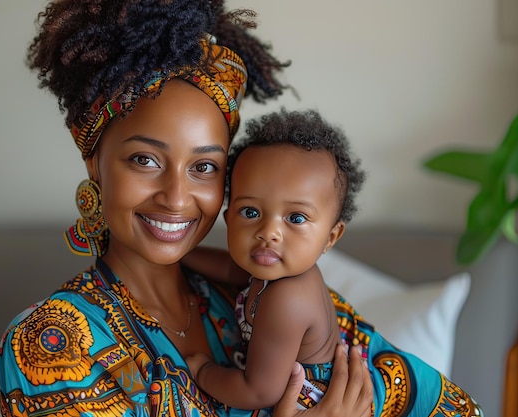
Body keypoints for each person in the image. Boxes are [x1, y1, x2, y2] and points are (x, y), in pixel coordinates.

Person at [0, 1, 373, 416]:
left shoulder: (260, 288)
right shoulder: (55, 342)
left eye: (204, 167)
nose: (176, 198)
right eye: (145, 160)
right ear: (94, 162)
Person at [183, 109, 483, 416]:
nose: (268, 233)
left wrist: (203, 371)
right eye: (250, 212)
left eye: (296, 218)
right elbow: (233, 270)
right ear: (228, 218)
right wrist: (183, 253)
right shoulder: (271, 270)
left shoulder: (286, 298)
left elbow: (258, 390)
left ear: (331, 236)